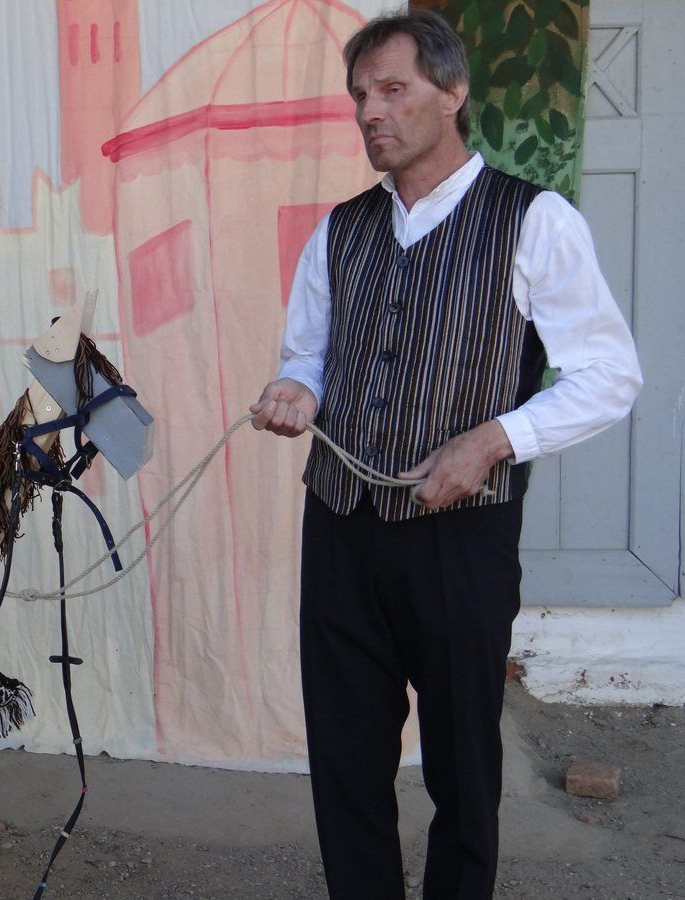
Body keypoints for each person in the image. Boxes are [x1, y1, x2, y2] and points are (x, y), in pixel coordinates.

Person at [251, 11, 641, 899]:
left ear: (453, 91)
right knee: (346, 757)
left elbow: (610, 374)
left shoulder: (533, 220)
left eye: (393, 89)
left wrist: (495, 439)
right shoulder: (340, 230)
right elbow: (307, 356)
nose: (370, 112)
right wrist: (297, 390)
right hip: (341, 524)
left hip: (461, 537)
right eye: (360, 95)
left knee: (463, 762)